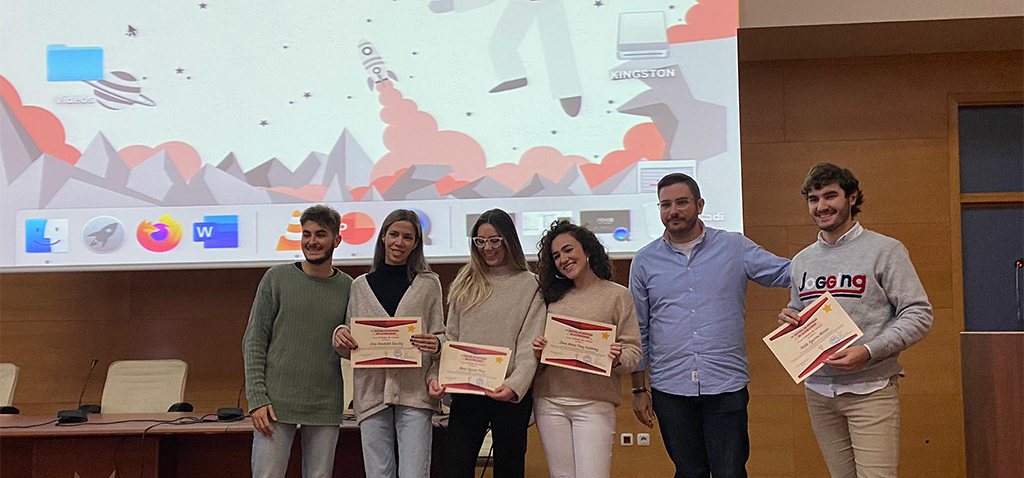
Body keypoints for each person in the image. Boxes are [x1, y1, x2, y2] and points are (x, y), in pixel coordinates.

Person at [629, 173, 791, 478]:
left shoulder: (733, 246)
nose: (673, 211)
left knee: (730, 472)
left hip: (725, 384)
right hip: (670, 389)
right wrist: (639, 389)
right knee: (689, 473)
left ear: (700, 205)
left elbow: (787, 273)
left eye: (681, 202)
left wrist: (830, 261)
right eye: (665, 204)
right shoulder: (644, 261)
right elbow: (639, 329)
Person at [778, 163, 932, 478]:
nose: (821, 206)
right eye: (813, 199)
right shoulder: (802, 261)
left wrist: (869, 351)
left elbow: (919, 313)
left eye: (830, 196)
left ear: (851, 197)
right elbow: (799, 309)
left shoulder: (885, 250)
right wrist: (790, 320)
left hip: (871, 390)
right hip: (819, 392)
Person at [429, 208, 546, 478]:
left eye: (495, 240)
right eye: (480, 241)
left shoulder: (531, 285)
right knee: (456, 466)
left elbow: (529, 346)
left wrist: (514, 386)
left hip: (508, 393)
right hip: (467, 391)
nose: (487, 248)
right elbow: (452, 339)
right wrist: (437, 376)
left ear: (509, 240)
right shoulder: (466, 282)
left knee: (509, 468)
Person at [332, 209, 444, 478]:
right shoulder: (359, 286)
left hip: (415, 393)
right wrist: (340, 335)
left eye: (407, 237)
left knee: (414, 473)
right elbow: (350, 345)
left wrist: (437, 344)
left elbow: (441, 335)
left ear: (416, 243)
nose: (399, 242)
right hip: (371, 393)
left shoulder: (429, 284)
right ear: (383, 237)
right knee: (377, 473)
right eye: (394, 234)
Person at [242, 204, 353, 478]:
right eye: (306, 234)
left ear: (337, 240)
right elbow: (254, 341)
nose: (311, 241)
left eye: (320, 234)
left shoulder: (349, 287)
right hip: (274, 404)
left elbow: (353, 348)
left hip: (325, 404)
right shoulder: (276, 278)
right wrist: (256, 398)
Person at [531, 220, 642, 478]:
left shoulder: (617, 296)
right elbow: (534, 352)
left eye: (568, 250)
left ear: (587, 250)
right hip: (550, 401)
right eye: (556, 256)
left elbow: (633, 353)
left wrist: (617, 358)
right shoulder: (549, 299)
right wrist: (538, 351)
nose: (563, 259)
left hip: (595, 403)